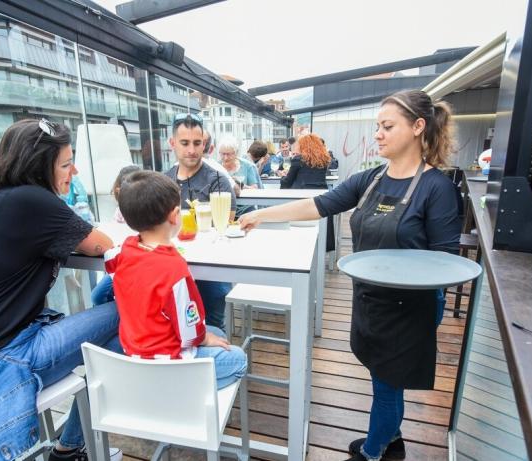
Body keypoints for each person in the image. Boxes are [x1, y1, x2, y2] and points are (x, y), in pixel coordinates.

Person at [239, 90, 462, 461]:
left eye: (387, 126)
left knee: (388, 387)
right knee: (383, 382)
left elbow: (448, 261)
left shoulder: (436, 189)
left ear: (418, 127)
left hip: (409, 308)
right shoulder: (371, 179)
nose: (378, 133)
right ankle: (391, 438)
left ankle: (374, 452)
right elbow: (318, 204)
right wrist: (262, 215)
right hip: (370, 299)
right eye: (378, 126)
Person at [0, 119, 123, 461]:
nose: (74, 170)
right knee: (124, 315)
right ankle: (70, 447)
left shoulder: (2, 202)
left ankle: (71, 446)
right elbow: (102, 244)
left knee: (114, 341)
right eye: (66, 163)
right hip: (4, 358)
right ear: (42, 166)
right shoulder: (34, 201)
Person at [104, 170, 247, 388]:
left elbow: (109, 261)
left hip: (133, 352)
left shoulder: (124, 250)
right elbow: (189, 330)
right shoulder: (175, 270)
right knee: (238, 359)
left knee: (216, 333)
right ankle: (176, 394)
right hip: (169, 364)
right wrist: (204, 339)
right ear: (175, 215)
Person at [165, 113, 235, 330]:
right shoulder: (163, 181)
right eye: (185, 143)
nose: (192, 150)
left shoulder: (217, 180)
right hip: (171, 264)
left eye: (197, 143)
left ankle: (216, 358)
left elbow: (225, 225)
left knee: (213, 320)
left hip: (210, 265)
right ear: (172, 143)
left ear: (204, 144)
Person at [91, 165, 142, 306]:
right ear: (119, 191)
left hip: (139, 263)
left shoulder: (148, 209)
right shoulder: (120, 210)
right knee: (97, 296)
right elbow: (115, 232)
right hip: (123, 261)